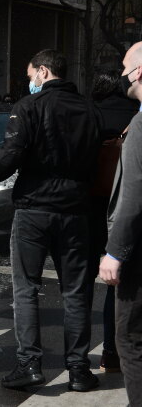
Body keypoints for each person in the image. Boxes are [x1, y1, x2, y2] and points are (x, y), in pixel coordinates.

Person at [0, 49, 102, 392]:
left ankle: (29, 364)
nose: (29, 81)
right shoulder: (89, 109)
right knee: (76, 292)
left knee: (26, 288)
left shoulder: (29, 106)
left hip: (34, 208)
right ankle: (78, 370)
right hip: (76, 209)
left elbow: (11, 154)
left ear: (43, 72)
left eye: (31, 76)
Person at [100, 41, 142, 406]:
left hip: (138, 252)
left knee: (129, 337)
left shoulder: (141, 125)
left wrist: (115, 252)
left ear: (139, 72)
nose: (122, 75)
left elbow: (134, 195)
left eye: (125, 68)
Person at [90, 70, 138, 372]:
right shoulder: (135, 116)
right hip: (123, 208)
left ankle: (97, 355)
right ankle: (113, 350)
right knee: (122, 286)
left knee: (87, 284)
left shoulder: (90, 114)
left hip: (90, 206)